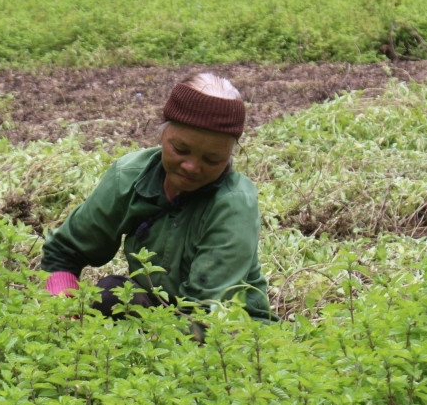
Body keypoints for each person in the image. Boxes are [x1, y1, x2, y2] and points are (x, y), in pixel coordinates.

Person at [40, 73, 273, 322]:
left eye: (212, 159)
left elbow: (207, 314)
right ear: (162, 134)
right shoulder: (129, 177)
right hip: (158, 314)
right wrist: (63, 311)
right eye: (180, 150)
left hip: (227, 329)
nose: (192, 167)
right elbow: (63, 252)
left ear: (229, 155)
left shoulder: (234, 202)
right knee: (112, 294)